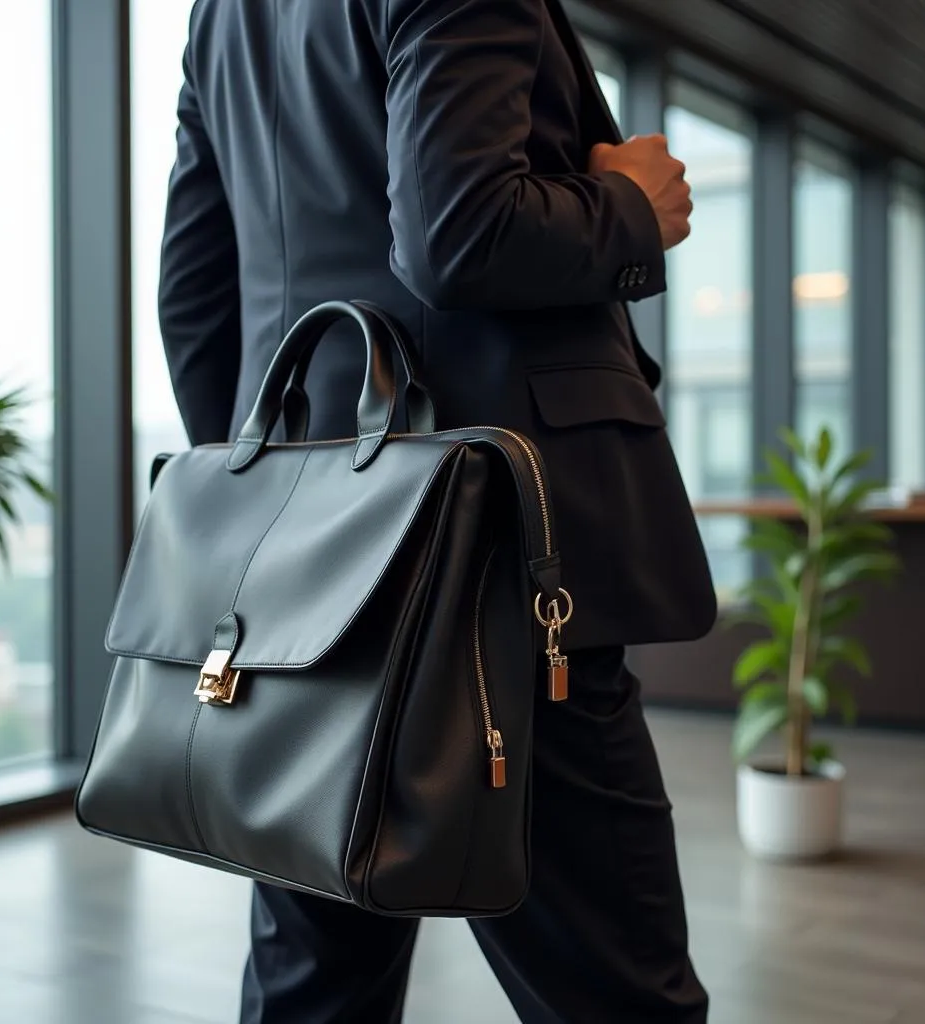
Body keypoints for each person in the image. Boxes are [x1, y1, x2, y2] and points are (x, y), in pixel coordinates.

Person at [158, 1, 717, 1020]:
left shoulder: (224, 11)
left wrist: (278, 497)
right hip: (497, 559)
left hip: (307, 591)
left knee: (314, 985)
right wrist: (631, 211)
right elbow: (459, 232)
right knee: (617, 991)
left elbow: (194, 293)